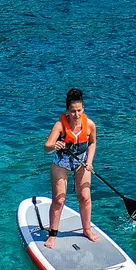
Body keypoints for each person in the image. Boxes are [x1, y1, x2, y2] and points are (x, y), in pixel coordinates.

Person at [42, 89, 99, 248]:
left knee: (85, 196)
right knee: (60, 199)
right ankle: (53, 235)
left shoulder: (90, 125)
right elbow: (47, 147)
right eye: (73, 111)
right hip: (62, 161)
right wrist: (55, 145)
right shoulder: (60, 125)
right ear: (67, 111)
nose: (76, 115)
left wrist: (90, 161)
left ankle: (87, 229)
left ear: (83, 109)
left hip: (81, 161)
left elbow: (93, 143)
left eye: (79, 110)